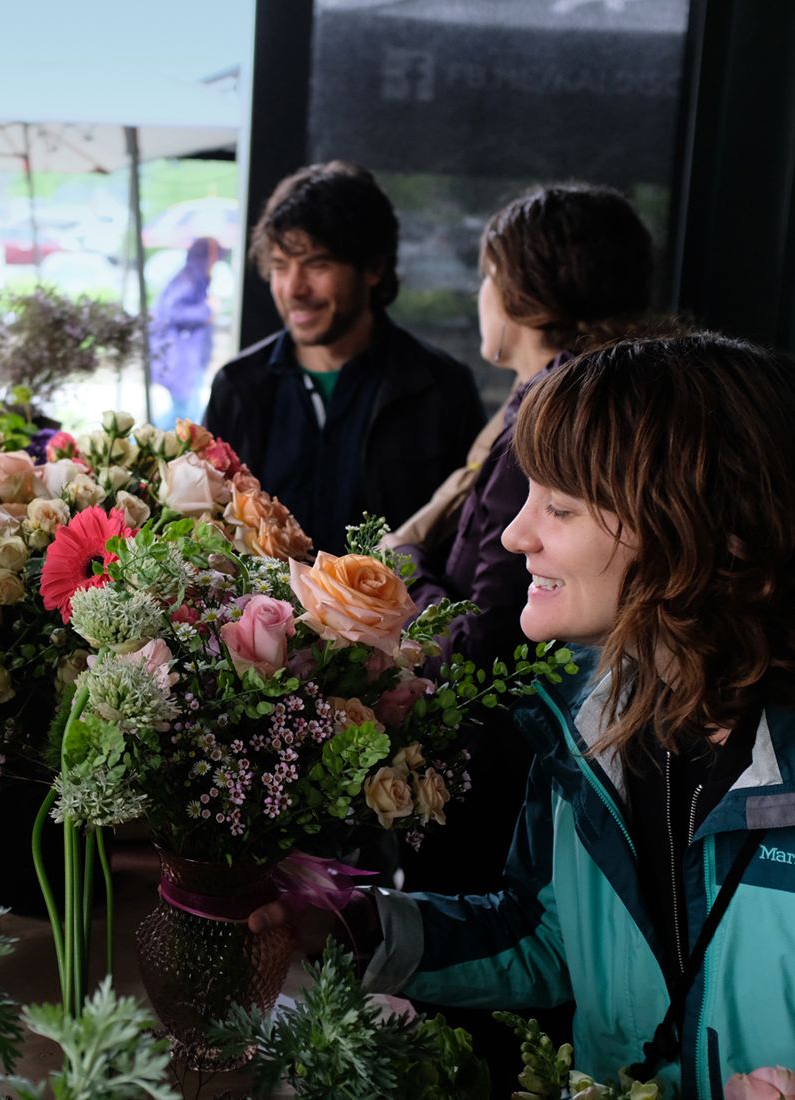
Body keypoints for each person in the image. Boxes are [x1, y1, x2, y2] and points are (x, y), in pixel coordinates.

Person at [252, 332, 795, 1097]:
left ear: (696, 532)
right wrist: (349, 924)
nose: (514, 534)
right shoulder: (583, 722)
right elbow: (545, 938)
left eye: (560, 507)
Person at [392, 183, 655, 896]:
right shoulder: (560, 399)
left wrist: (400, 565)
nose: (520, 533)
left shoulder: (550, 415)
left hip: (504, 774)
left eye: (486, 272)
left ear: (522, 286)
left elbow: (486, 644)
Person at [204, 160, 484, 554]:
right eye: (281, 266)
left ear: (373, 267)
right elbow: (208, 532)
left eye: (317, 264)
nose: (294, 288)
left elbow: (463, 542)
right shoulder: (240, 384)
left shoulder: (440, 387)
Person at [149, 236, 223, 428]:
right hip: (181, 359)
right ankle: (138, 444)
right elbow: (170, 312)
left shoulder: (195, 279)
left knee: (189, 412)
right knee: (184, 415)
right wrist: (207, 310)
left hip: (189, 359)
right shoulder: (188, 280)